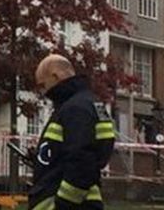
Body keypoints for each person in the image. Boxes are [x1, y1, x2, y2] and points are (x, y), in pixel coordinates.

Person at [28, 54, 115, 210]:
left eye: (43, 85)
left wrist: (64, 203)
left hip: (67, 202)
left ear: (55, 76)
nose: (43, 92)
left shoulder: (74, 108)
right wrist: (46, 156)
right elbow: (95, 152)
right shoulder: (89, 104)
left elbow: (82, 159)